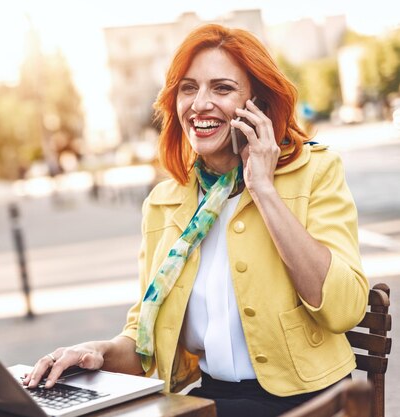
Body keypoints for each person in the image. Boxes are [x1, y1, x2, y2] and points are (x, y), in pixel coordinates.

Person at [23, 24, 369, 417]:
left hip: (311, 402)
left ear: (257, 102)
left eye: (221, 88)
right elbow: (145, 338)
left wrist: (264, 191)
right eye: (188, 88)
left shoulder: (316, 171)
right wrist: (95, 352)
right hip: (210, 399)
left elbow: (344, 308)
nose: (200, 104)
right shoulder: (165, 203)